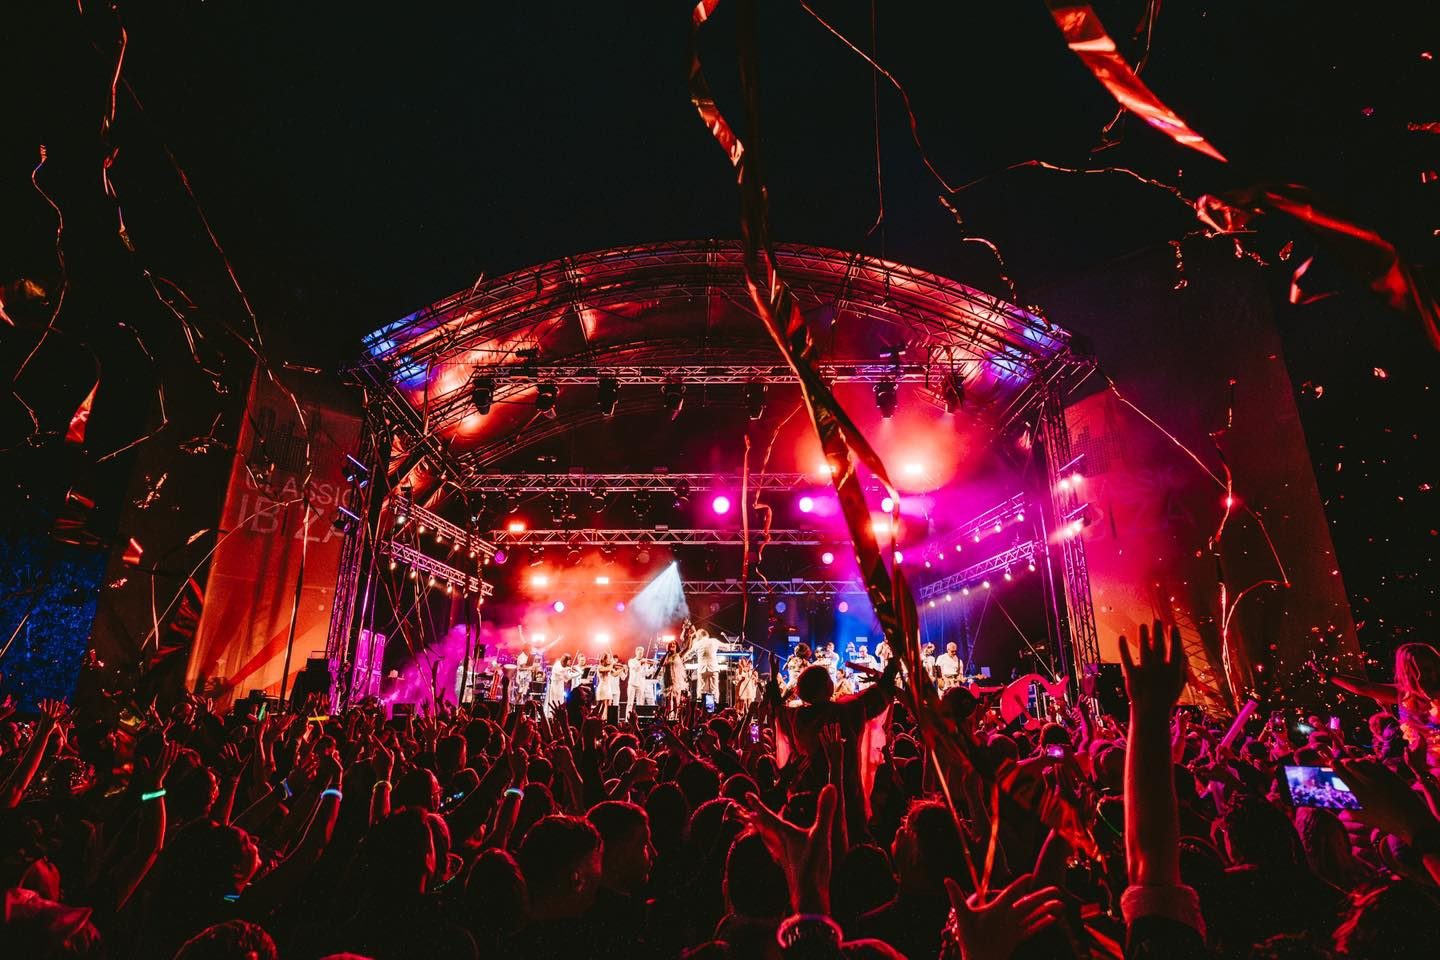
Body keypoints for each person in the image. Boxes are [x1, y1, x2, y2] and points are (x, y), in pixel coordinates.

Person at [1317, 641, 1440, 772]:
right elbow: (1362, 687)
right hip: (1426, 768)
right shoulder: (1402, 694)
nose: (1422, 676)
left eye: (1427, 669)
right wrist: (1328, 675)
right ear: (1405, 673)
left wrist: (1428, 694)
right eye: (1415, 671)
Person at [688, 627, 723, 702]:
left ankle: (700, 708)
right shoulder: (714, 641)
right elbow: (726, 647)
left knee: (701, 690)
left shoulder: (697, 643)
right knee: (714, 690)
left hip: (702, 669)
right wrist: (733, 645)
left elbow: (689, 654)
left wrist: (681, 659)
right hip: (713, 668)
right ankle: (715, 707)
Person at [624, 645, 655, 721]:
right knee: (630, 703)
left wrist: (652, 668)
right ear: (636, 652)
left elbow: (646, 674)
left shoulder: (645, 662)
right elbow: (635, 668)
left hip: (641, 684)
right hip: (632, 684)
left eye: (642, 653)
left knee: (640, 703)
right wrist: (641, 663)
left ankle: (638, 719)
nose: (641, 654)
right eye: (639, 652)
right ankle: (627, 719)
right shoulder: (631, 661)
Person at [596, 652, 622, 720]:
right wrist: (612, 664)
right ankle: (601, 720)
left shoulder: (609, 667)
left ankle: (606, 720)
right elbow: (606, 670)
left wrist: (622, 669)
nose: (610, 659)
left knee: (608, 706)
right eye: (608, 658)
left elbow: (615, 674)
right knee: (603, 706)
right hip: (603, 687)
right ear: (604, 659)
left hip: (608, 688)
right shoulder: (600, 667)